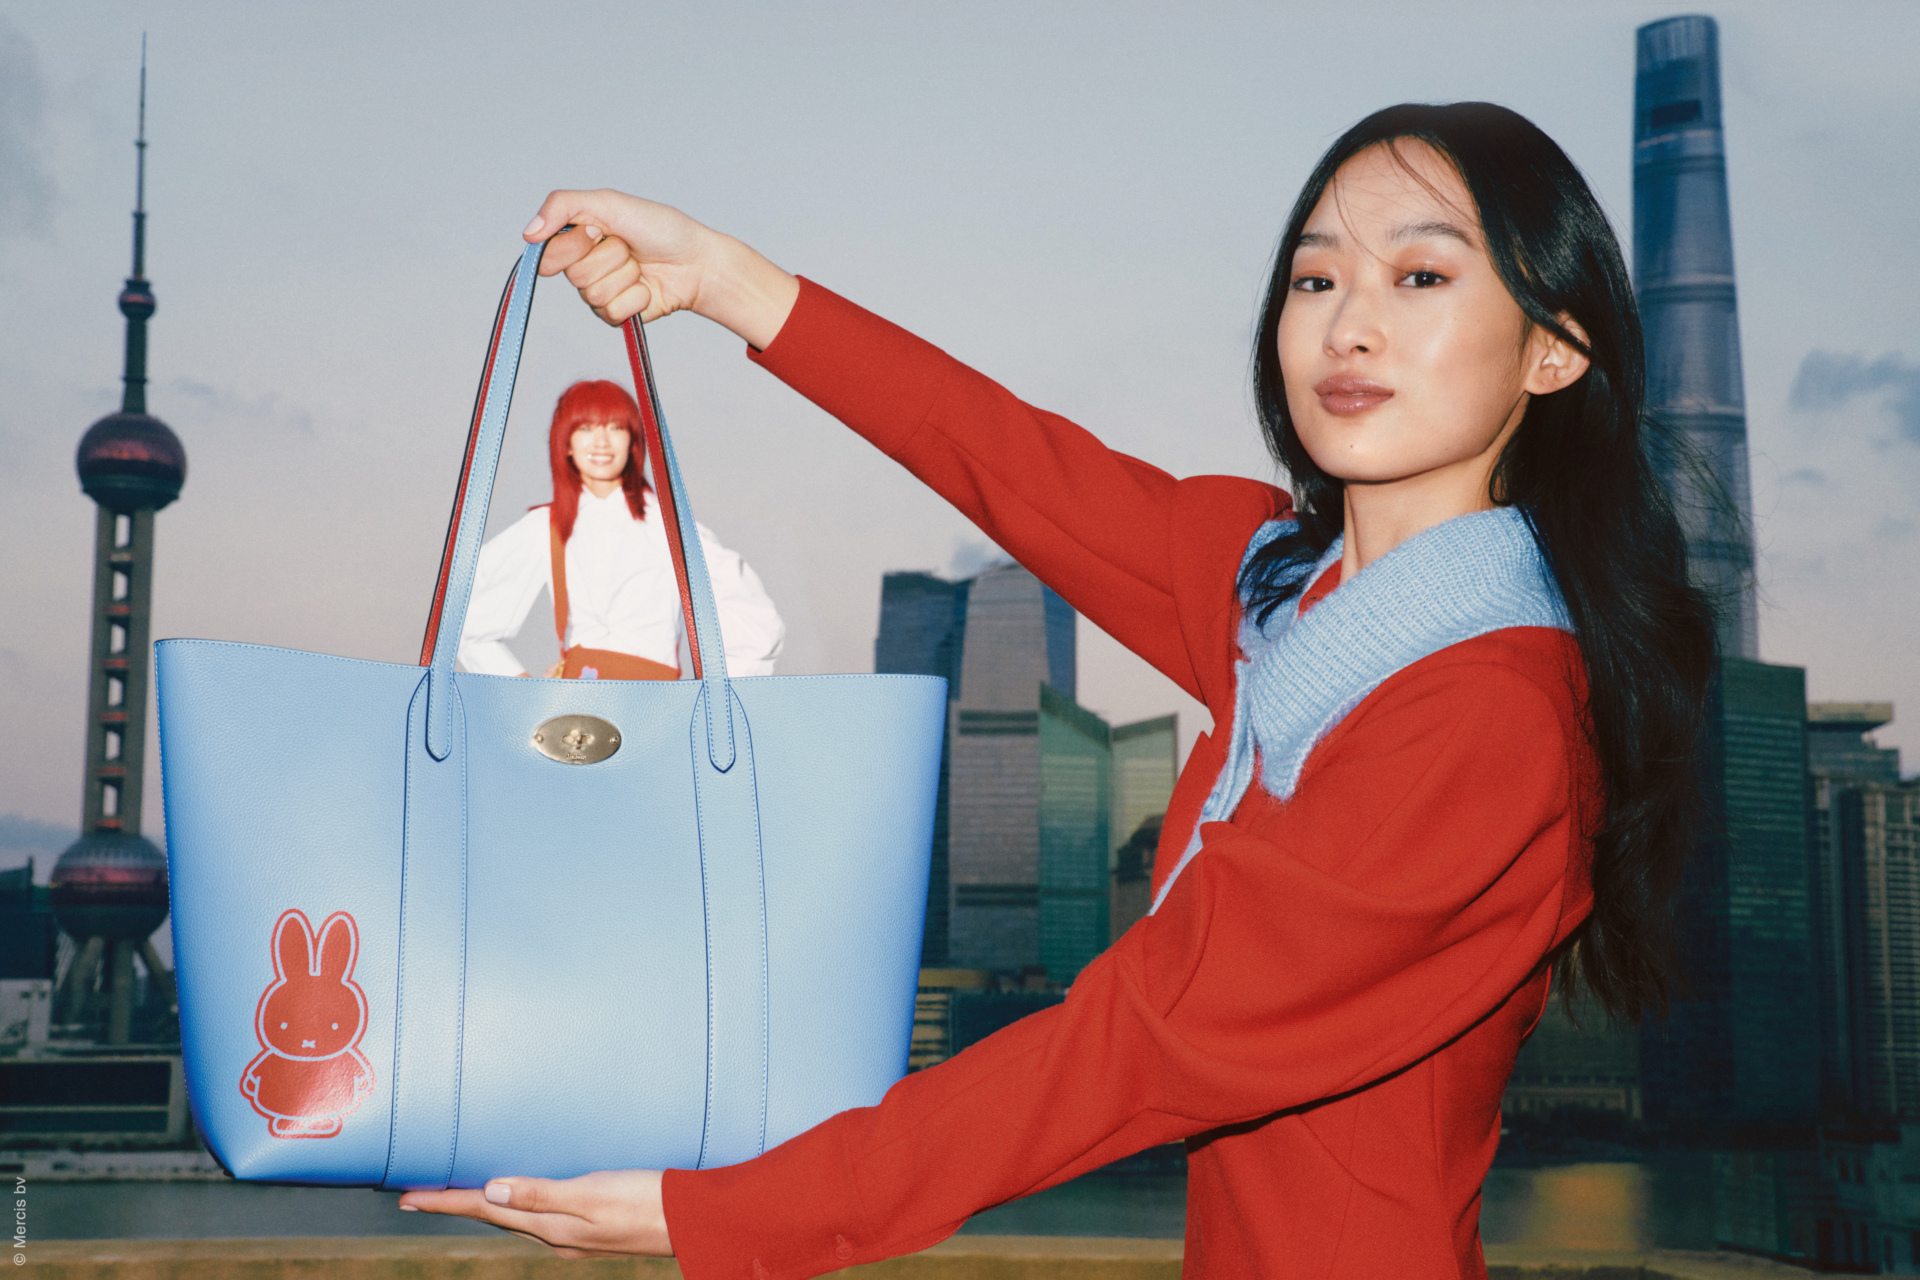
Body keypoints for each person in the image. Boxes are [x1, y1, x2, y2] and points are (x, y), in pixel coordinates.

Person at [404, 103, 1718, 1278]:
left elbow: (1135, 1045)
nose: (1348, 320)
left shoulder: (1486, 720)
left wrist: (737, 1214)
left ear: (1555, 351)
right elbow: (1015, 463)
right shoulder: (1286, 600)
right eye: (1316, 275)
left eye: (1421, 274)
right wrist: (732, 282)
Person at [457, 378, 785, 681]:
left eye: (615, 427)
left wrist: (712, 704)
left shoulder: (669, 527)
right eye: (585, 427)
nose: (601, 442)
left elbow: (756, 626)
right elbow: (464, 624)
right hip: (577, 713)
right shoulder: (547, 525)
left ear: (633, 442)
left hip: (657, 706)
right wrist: (523, 689)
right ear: (566, 443)